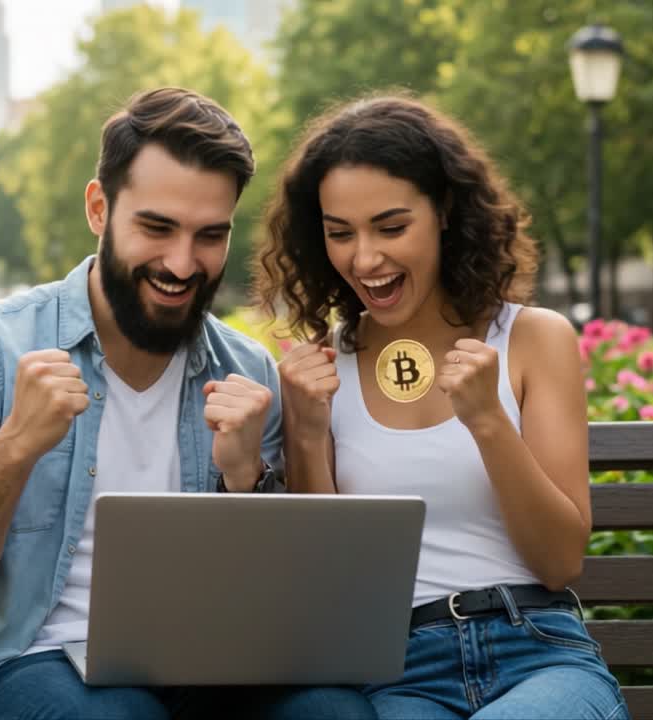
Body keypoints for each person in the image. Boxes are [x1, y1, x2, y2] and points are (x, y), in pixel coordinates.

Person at [0, 87, 376, 720]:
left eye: (210, 236)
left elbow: (287, 607)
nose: (182, 263)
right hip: (26, 666)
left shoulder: (245, 371)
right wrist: (15, 448)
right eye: (156, 227)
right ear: (99, 208)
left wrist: (246, 480)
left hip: (206, 674)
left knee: (334, 713)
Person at [255, 95, 628, 720]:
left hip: (538, 651)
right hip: (400, 673)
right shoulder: (321, 371)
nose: (364, 259)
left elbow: (560, 561)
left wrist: (488, 421)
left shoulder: (533, 339)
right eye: (340, 233)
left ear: (446, 211)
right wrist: (308, 433)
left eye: (391, 227)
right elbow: (333, 591)